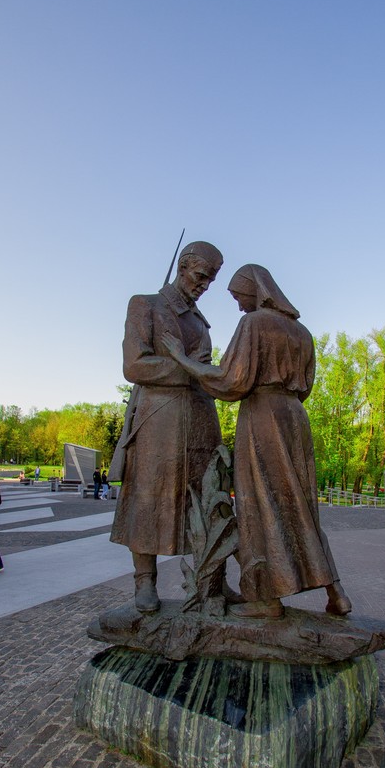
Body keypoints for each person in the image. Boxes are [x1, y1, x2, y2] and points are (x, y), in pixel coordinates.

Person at [163, 263, 352, 619]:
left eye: (239, 297)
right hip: (295, 418)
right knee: (302, 508)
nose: (238, 306)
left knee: (258, 504)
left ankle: (266, 600)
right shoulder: (302, 332)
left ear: (256, 290)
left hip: (262, 417)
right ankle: (336, 592)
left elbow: (230, 380)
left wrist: (181, 359)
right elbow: (307, 385)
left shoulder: (254, 323)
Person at [110, 241, 224, 613]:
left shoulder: (199, 320)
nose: (205, 285)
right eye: (201, 276)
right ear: (183, 265)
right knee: (149, 500)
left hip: (201, 419)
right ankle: (145, 583)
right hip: (160, 419)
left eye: (211, 280)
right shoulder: (146, 304)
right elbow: (136, 366)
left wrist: (205, 375)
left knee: (205, 501)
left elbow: (207, 371)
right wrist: (192, 370)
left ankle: (212, 586)